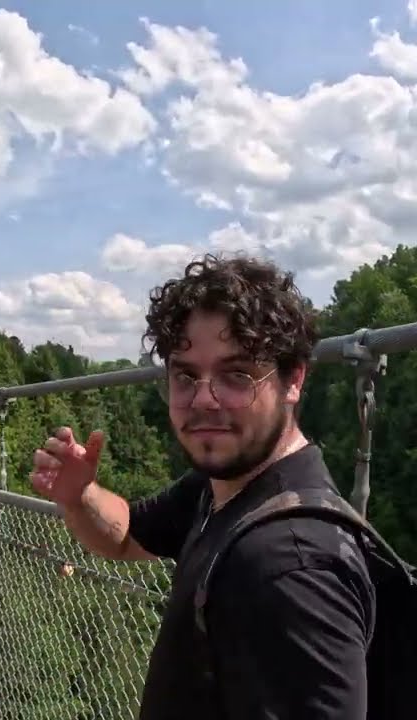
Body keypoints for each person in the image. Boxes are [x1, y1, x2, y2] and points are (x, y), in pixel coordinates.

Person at [30, 254, 374, 719]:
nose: (204, 399)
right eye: (186, 375)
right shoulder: (218, 487)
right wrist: (80, 496)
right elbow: (127, 533)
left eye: (237, 375)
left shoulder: (292, 568)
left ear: (294, 379)